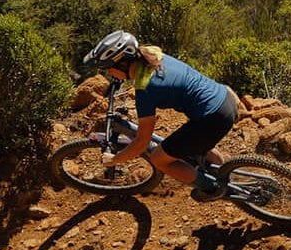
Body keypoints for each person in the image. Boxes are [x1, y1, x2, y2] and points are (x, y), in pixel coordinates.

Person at [80, 30, 239, 200]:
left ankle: (212, 188)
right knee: (195, 139)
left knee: (158, 159)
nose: (109, 74)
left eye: (108, 69)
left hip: (213, 118)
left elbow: (142, 142)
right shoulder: (152, 54)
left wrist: (115, 159)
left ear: (123, 64)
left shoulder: (146, 88)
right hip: (224, 99)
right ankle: (221, 170)